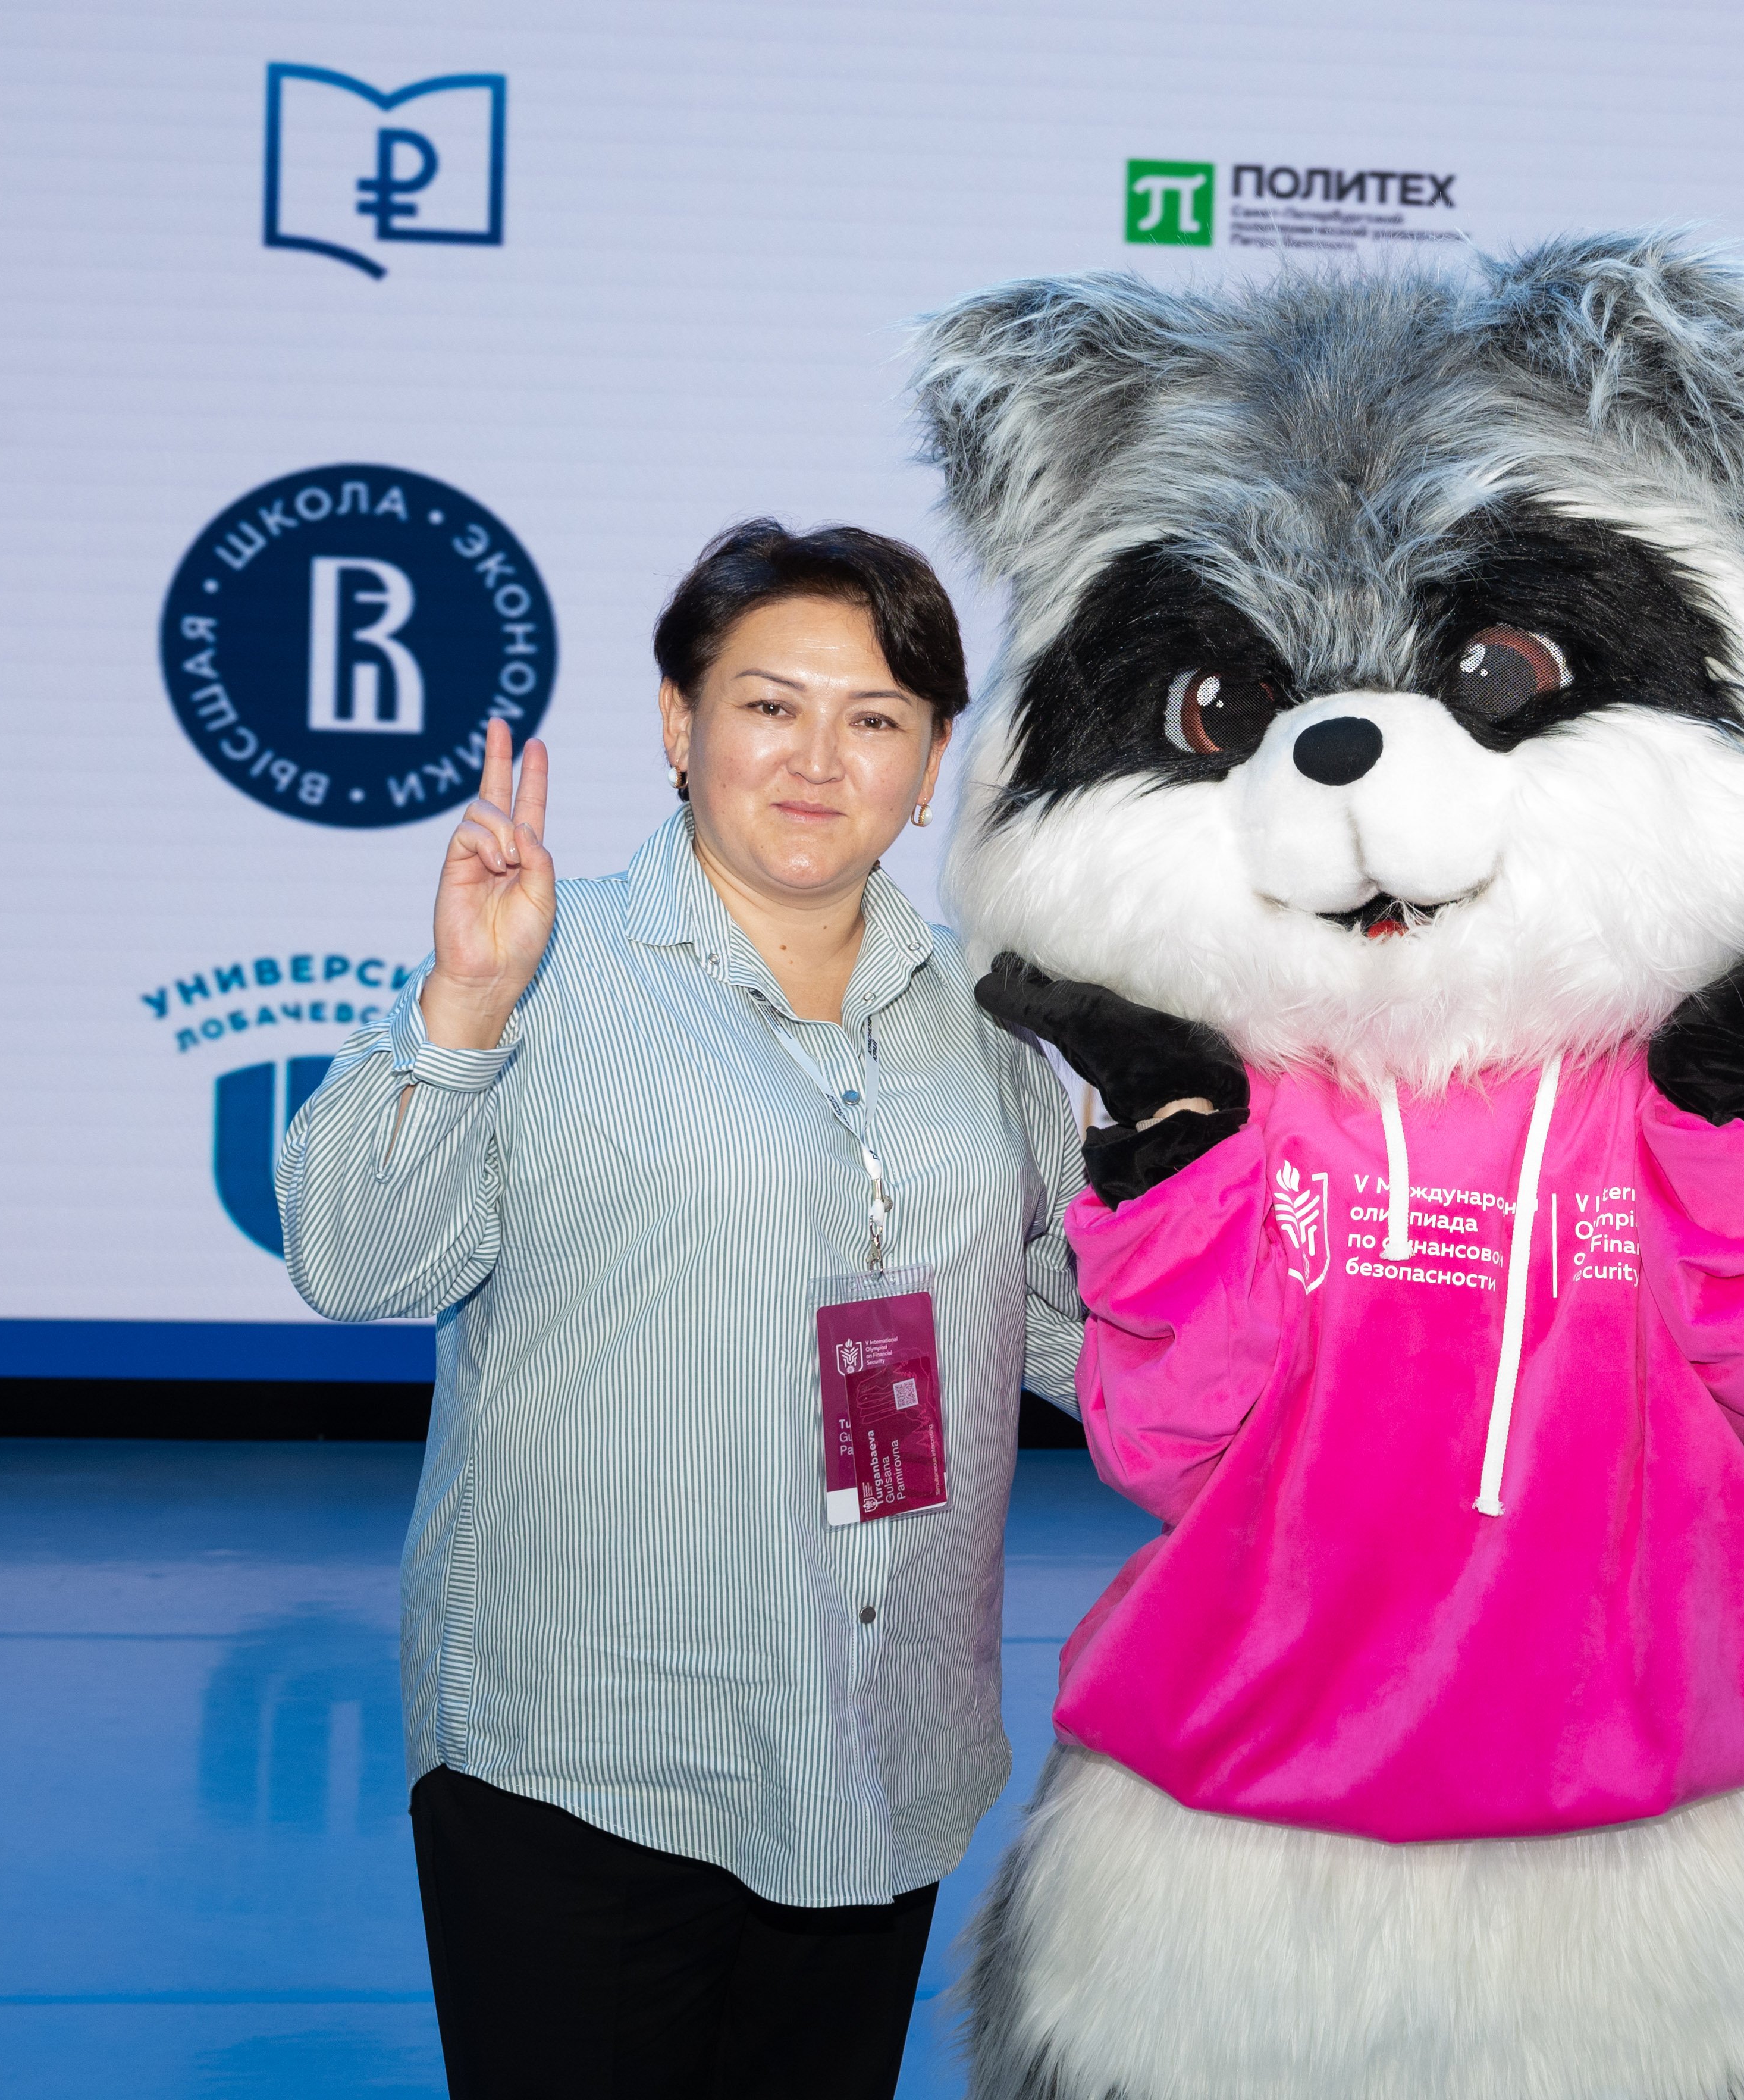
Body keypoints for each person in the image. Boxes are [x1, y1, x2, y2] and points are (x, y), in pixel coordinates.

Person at [281, 521, 1085, 2100]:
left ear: (932, 763)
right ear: (677, 721)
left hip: (876, 1740)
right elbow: (356, 1264)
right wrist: (463, 1008)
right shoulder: (549, 959)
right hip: (592, 1745)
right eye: (768, 705)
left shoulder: (987, 1019)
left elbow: (1060, 1324)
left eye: (875, 719)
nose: (817, 760)